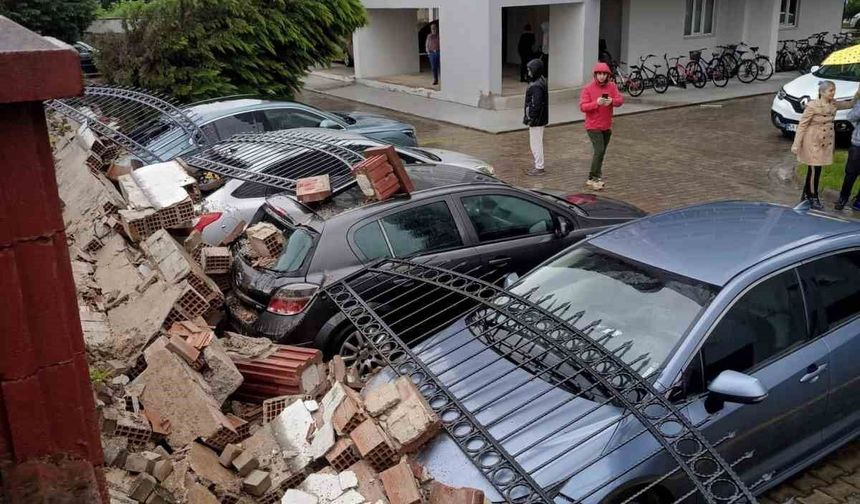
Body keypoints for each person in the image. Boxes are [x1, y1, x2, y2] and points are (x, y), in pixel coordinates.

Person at [792, 80, 855, 210]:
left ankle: (806, 194)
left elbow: (849, 104)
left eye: (834, 90)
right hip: (813, 141)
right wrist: (796, 144)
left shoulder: (833, 104)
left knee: (816, 169)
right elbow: (802, 125)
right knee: (814, 169)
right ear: (822, 92)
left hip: (825, 142)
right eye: (830, 90)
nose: (833, 93)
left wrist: (858, 94)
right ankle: (813, 197)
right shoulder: (812, 106)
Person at [579, 62, 623, 190]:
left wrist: (612, 101)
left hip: (606, 126)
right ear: (595, 75)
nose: (602, 76)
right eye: (599, 74)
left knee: (601, 152)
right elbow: (583, 106)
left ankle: (593, 176)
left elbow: (620, 100)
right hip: (593, 126)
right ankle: (594, 178)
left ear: (608, 75)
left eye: (604, 74)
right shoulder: (588, 88)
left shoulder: (612, 86)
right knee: (599, 150)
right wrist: (596, 103)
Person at [836, 87, 860, 211]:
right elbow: (851, 117)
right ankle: (843, 198)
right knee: (851, 173)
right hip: (858, 144)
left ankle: (858, 201)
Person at [524, 58, 548, 177]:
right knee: (537, 142)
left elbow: (536, 104)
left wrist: (531, 117)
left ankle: (539, 166)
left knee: (535, 144)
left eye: (530, 70)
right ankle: (539, 165)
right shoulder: (541, 81)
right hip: (540, 118)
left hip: (536, 120)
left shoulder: (536, 86)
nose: (529, 73)